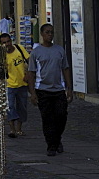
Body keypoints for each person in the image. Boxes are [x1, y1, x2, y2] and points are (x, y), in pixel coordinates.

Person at [26, 23, 72, 157]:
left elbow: (65, 68)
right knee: (47, 119)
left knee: (61, 116)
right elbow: (31, 73)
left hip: (58, 89)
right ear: (42, 34)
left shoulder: (59, 50)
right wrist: (32, 93)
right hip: (42, 90)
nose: (50, 35)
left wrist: (69, 88)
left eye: (51, 32)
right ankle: (51, 145)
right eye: (47, 32)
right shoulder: (36, 52)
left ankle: (57, 139)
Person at [0, 32, 29, 138]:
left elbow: (29, 61)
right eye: (4, 43)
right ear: (1, 44)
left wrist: (28, 74)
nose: (7, 44)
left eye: (8, 41)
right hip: (9, 85)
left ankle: (19, 129)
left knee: (22, 107)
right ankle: (12, 130)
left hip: (22, 83)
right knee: (10, 107)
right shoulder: (2, 55)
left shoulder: (19, 48)